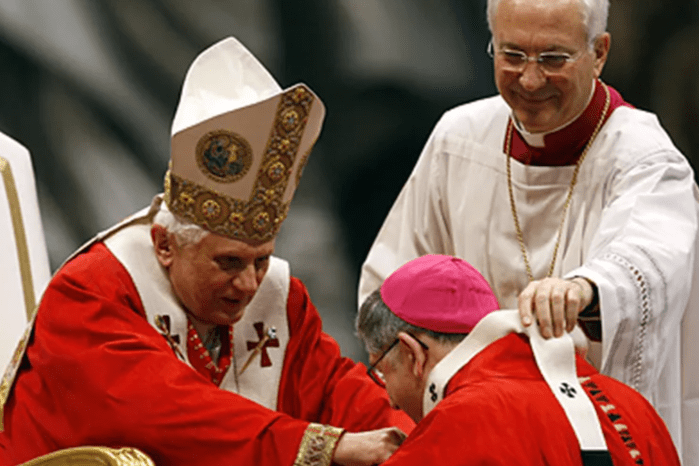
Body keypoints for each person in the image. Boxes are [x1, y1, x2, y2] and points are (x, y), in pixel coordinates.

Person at [0, 37, 412, 466]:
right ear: (165, 245)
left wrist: (416, 444)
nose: (249, 283)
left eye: (261, 260)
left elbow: (340, 391)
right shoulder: (89, 293)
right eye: (229, 262)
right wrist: (331, 446)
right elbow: (164, 415)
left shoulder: (281, 301)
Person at [358, 0, 699, 461]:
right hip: (477, 435)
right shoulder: (459, 138)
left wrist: (585, 289)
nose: (531, 80)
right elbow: (392, 291)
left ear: (599, 52)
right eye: (512, 55)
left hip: (587, 437)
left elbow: (651, 254)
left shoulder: (643, 156)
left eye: (553, 59)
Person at [357, 254, 681, 465]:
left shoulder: (453, 430)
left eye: (382, 371)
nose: (392, 402)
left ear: (412, 352)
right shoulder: (632, 405)